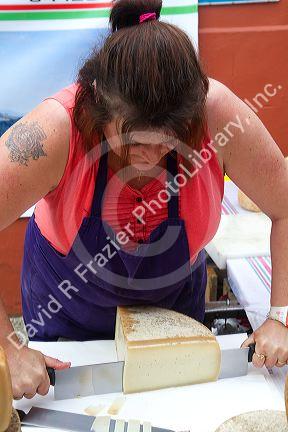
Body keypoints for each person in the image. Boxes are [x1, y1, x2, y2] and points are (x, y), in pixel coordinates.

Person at [0, 0, 287, 401]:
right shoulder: (55, 130)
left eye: (169, 141)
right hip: (68, 313)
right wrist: (9, 350)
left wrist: (280, 317)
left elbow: (284, 207)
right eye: (132, 140)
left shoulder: (216, 114)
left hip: (170, 318)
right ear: (100, 106)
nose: (150, 157)